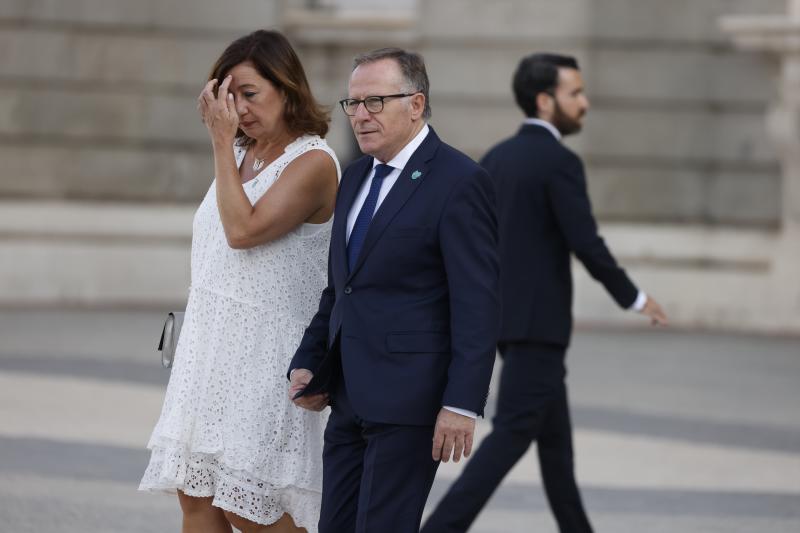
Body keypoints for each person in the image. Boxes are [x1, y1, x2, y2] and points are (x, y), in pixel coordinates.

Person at [421, 53, 669, 533]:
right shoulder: (560, 162)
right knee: (513, 433)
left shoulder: (495, 158)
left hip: (507, 323)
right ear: (545, 99)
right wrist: (634, 297)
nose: (585, 103)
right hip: (539, 328)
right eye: (575, 93)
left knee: (555, 449)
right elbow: (586, 241)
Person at [287, 48, 500, 533]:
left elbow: (478, 305)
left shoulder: (460, 181)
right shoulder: (356, 175)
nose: (360, 115)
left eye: (375, 102)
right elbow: (340, 289)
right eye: (353, 103)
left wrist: (461, 403)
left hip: (411, 404)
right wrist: (310, 360)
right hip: (347, 399)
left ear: (417, 104)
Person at [139, 30, 340, 533]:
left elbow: (243, 231)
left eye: (249, 94)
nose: (237, 109)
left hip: (268, 358)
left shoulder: (313, 160)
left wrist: (220, 143)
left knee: (252, 509)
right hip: (210, 351)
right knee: (197, 499)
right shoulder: (240, 154)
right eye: (227, 97)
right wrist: (229, 149)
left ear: (287, 90)